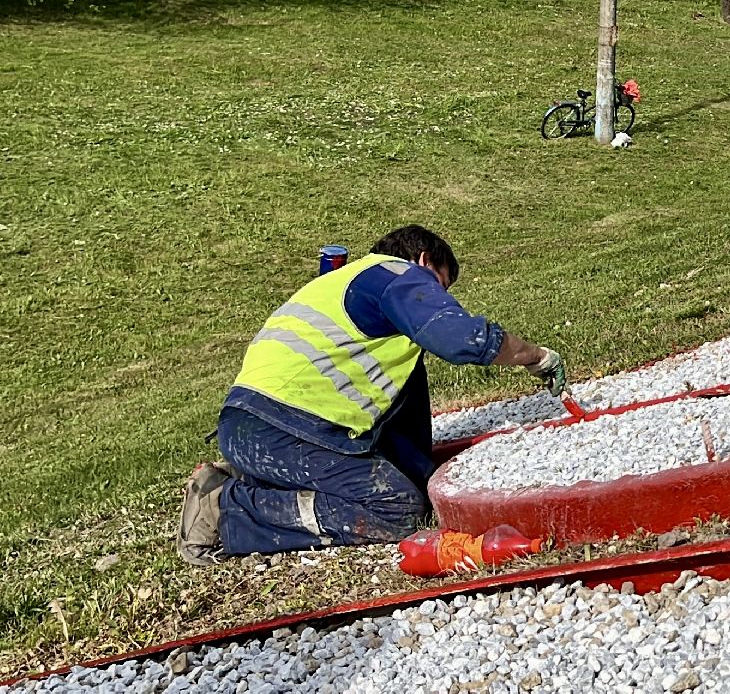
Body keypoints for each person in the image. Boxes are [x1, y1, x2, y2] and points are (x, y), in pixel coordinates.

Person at [176, 225, 567, 565]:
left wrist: (424, 478)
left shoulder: (344, 288)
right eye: (440, 286)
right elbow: (462, 338)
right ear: (424, 260)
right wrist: (536, 356)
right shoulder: (396, 275)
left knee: (393, 484)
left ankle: (251, 477)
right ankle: (227, 512)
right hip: (283, 429)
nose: (440, 298)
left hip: (255, 427)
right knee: (395, 507)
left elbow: (402, 415)